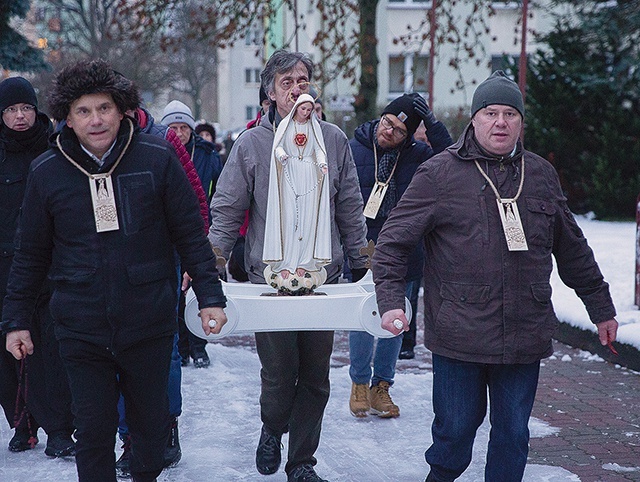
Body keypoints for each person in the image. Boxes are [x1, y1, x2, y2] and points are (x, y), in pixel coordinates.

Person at [371, 70, 618, 482]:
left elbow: (572, 248)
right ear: (474, 120)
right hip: (459, 336)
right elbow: (393, 242)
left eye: (510, 113)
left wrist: (601, 307)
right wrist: (392, 302)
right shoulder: (439, 174)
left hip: (524, 331)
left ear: (521, 122)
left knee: (513, 437)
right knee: (453, 437)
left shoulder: (539, 175)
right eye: (490, 112)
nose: (500, 122)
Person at [1, 59, 227, 482]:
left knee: (149, 430)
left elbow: (190, 234)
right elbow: (29, 253)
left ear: (122, 109)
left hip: (148, 320)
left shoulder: (156, 158)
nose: (95, 120)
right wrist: (16, 320)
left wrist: (210, 297)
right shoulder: (47, 173)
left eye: (103, 108)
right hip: (79, 324)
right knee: (93, 430)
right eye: (83, 111)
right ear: (66, 118)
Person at [209, 49, 368, 482]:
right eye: (286, 82)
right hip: (269, 281)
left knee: (316, 378)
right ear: (270, 92)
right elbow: (226, 208)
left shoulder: (333, 139)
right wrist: (213, 261)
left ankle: (302, 461)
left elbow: (350, 205)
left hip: (323, 280)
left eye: (303, 80)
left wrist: (362, 260)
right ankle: (272, 427)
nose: (297, 88)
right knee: (280, 373)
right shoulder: (252, 144)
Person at [114, 81, 212, 477]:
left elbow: (196, 206)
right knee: (115, 355)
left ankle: (164, 427)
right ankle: (129, 438)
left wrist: (192, 260)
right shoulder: (88, 146)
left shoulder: (163, 142)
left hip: (161, 264)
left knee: (164, 352)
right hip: (109, 267)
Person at [347, 93, 453, 418]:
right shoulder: (356, 146)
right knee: (362, 317)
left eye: (398, 130)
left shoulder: (419, 155)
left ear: (409, 137)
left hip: (406, 248)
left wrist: (433, 126)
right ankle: (360, 384)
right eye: (387, 122)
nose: (388, 132)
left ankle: (382, 386)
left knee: (397, 317)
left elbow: (452, 159)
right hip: (363, 246)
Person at [0, 77, 75, 457]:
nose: (19, 117)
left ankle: (60, 429)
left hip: (50, 267)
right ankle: (23, 422)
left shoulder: (56, 148)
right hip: (5, 267)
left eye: (26, 108)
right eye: (11, 110)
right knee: (9, 351)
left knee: (53, 351)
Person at [161, 99, 223, 369]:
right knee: (176, 291)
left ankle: (199, 345)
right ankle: (182, 347)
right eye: (172, 127)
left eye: (183, 127)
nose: (178, 132)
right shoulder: (161, 152)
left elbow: (219, 190)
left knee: (198, 288)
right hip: (170, 231)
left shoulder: (207, 154)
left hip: (200, 227)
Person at [263, 93, 330, 294]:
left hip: (309, 175)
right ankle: (287, 264)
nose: (307, 113)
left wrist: (322, 163)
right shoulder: (286, 126)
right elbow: (278, 147)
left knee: (308, 221)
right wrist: (282, 156)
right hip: (289, 175)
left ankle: (304, 263)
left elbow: (318, 149)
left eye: (310, 110)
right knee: (290, 220)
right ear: (297, 108)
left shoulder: (313, 128)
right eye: (303, 109)